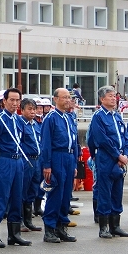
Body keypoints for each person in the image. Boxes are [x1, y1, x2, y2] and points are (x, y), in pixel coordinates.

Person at [0, 88, 31, 248]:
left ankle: (14, 234)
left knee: (17, 196)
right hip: (5, 160)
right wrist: (1, 153)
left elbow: (24, 139)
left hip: (19, 161)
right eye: (11, 100)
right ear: (4, 101)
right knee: (2, 196)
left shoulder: (19, 120)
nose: (14, 103)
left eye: (17, 100)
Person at [88, 86, 128, 239]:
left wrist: (125, 154)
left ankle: (116, 225)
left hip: (119, 158)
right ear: (102, 99)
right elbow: (100, 139)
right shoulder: (98, 116)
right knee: (105, 191)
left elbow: (125, 137)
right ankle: (104, 226)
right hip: (106, 157)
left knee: (117, 192)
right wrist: (117, 155)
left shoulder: (117, 116)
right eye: (110, 96)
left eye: (114, 96)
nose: (114, 98)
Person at [41, 88, 78, 243]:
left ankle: (61, 226)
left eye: (69, 97)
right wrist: (47, 165)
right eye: (64, 97)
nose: (68, 100)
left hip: (69, 156)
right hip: (57, 156)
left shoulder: (69, 117)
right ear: (56, 99)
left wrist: (75, 162)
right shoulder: (51, 118)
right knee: (55, 193)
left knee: (65, 194)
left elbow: (75, 141)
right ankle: (49, 228)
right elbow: (46, 143)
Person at [19, 98, 42, 232]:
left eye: (34, 109)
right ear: (22, 110)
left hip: (37, 160)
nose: (33, 112)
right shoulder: (20, 124)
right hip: (25, 159)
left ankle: (28, 220)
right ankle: (20, 220)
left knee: (33, 190)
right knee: (22, 189)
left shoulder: (36, 125)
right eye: (29, 109)